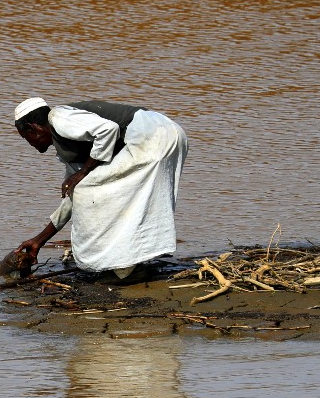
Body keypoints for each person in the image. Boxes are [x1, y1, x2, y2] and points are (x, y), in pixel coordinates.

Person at [12, 97, 188, 279]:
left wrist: (84, 172)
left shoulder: (58, 117)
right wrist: (39, 241)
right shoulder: (69, 147)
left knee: (89, 190)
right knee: (116, 197)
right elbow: (73, 197)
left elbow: (108, 130)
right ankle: (131, 262)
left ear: (33, 128)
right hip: (167, 133)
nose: (30, 144)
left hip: (151, 136)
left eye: (26, 138)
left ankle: (124, 267)